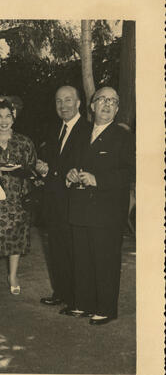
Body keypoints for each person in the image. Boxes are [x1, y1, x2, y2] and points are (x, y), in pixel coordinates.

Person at [67, 86, 135, 325]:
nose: (107, 104)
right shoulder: (81, 133)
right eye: (102, 100)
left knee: (105, 259)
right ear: (92, 106)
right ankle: (83, 304)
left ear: (116, 109)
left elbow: (128, 172)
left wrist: (99, 180)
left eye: (113, 101)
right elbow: (72, 162)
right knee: (83, 257)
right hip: (81, 206)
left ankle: (106, 309)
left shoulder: (123, 136)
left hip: (107, 209)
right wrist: (71, 173)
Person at [36, 86, 89, 311]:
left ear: (78, 103)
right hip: (55, 199)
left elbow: (80, 163)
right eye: (59, 101)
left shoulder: (87, 129)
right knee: (57, 248)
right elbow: (52, 161)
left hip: (76, 201)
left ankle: (78, 299)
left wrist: (52, 170)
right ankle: (62, 292)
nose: (63, 106)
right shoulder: (55, 129)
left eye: (68, 100)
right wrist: (41, 167)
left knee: (75, 250)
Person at [0, 99, 37, 297]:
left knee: (16, 235)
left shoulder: (24, 141)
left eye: (8, 116)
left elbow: (32, 168)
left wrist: (20, 170)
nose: (4, 121)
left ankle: (13, 276)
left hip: (18, 195)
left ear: (13, 117)